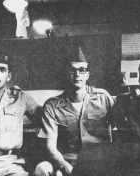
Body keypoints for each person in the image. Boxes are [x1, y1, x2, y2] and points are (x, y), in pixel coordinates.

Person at [34, 46, 115, 176]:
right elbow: (51, 147)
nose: (77, 74)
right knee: (42, 169)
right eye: (72, 70)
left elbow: (116, 133)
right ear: (66, 74)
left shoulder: (103, 98)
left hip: (99, 162)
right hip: (67, 163)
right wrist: (65, 166)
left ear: (87, 74)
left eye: (82, 70)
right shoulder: (52, 106)